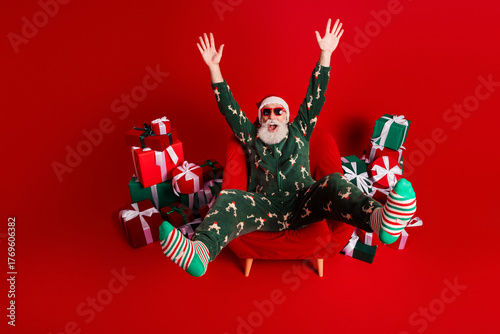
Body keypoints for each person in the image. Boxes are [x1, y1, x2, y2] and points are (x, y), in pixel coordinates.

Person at [158, 19, 417, 277]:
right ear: (259, 119)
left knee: (334, 182)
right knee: (228, 197)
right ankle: (201, 250)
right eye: (266, 112)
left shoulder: (300, 129)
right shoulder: (251, 135)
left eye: (278, 111)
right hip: (263, 207)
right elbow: (229, 109)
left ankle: (379, 220)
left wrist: (325, 54)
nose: (272, 116)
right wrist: (214, 68)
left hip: (305, 202)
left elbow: (315, 95)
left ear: (287, 116)